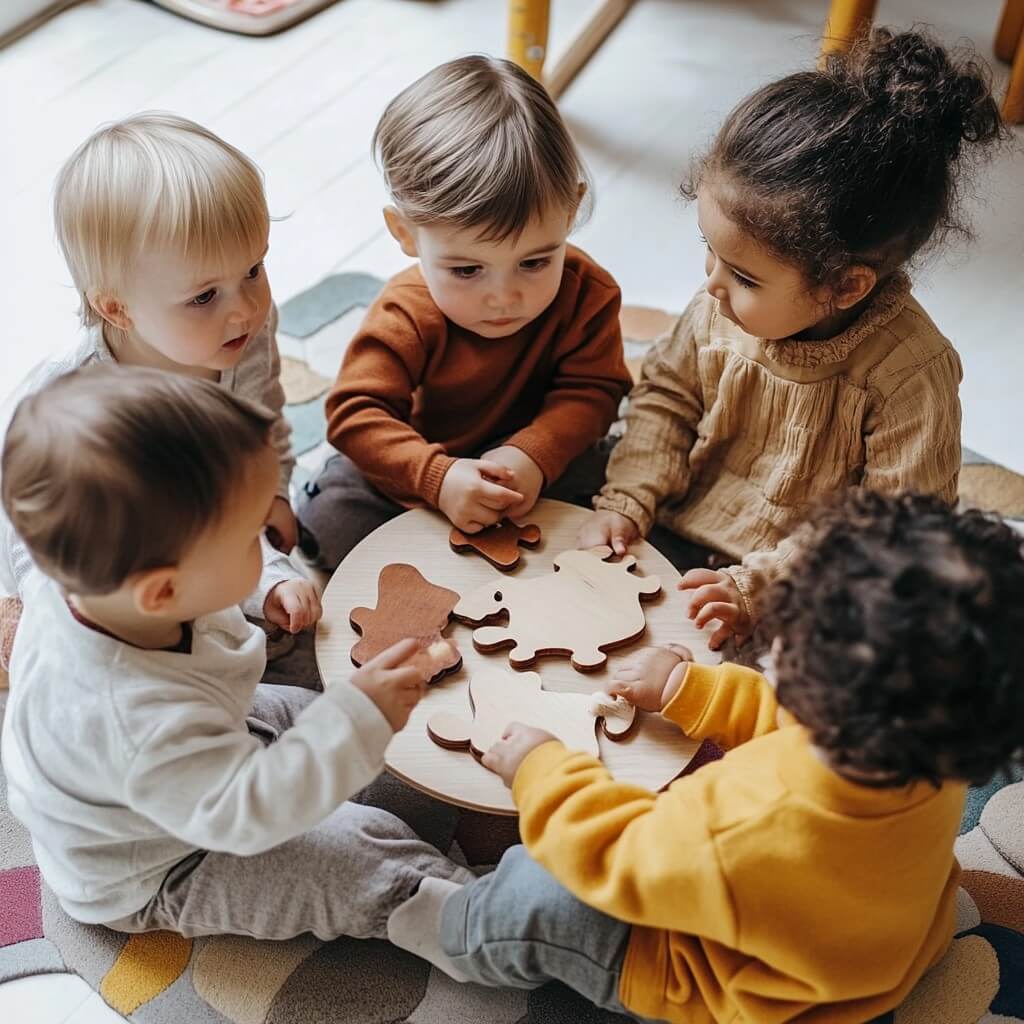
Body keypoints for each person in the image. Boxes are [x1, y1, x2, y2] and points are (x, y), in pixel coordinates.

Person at [389, 489, 1024, 1023]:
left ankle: (465, 932)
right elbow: (784, 723)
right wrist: (685, 688)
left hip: (730, 981)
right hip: (883, 942)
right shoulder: (928, 746)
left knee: (537, 885)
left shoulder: (743, 821)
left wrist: (542, 767)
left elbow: (614, 856)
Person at [0, 365, 471, 939]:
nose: (267, 543)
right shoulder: (136, 718)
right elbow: (252, 816)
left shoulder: (101, 579)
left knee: (319, 714)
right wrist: (356, 721)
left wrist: (266, 580)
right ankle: (482, 920)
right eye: (251, 539)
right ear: (165, 591)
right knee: (355, 857)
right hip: (165, 861)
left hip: (189, 748)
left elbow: (203, 562)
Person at [577, 28, 1006, 650]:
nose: (712, 285)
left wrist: (761, 587)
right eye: (710, 252)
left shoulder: (910, 374)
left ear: (847, 286)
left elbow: (887, 531)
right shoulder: (716, 307)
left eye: (744, 275)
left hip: (806, 578)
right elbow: (665, 398)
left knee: (875, 671)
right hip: (680, 520)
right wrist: (627, 499)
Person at [296, 55, 632, 571]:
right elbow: (355, 414)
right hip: (426, 455)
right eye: (468, 270)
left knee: (624, 485)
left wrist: (533, 455)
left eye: (535, 262)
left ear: (569, 212)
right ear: (406, 234)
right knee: (331, 515)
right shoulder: (406, 310)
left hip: (528, 460)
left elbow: (595, 392)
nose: (504, 296)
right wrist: (437, 478)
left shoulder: (589, 293)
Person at [0, 112, 312, 638]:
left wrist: (273, 494)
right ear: (118, 310)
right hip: (102, 589)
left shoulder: (245, 330)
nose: (247, 307)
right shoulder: (83, 408)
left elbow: (265, 423)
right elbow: (44, 560)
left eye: (254, 269)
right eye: (204, 296)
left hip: (204, 544)